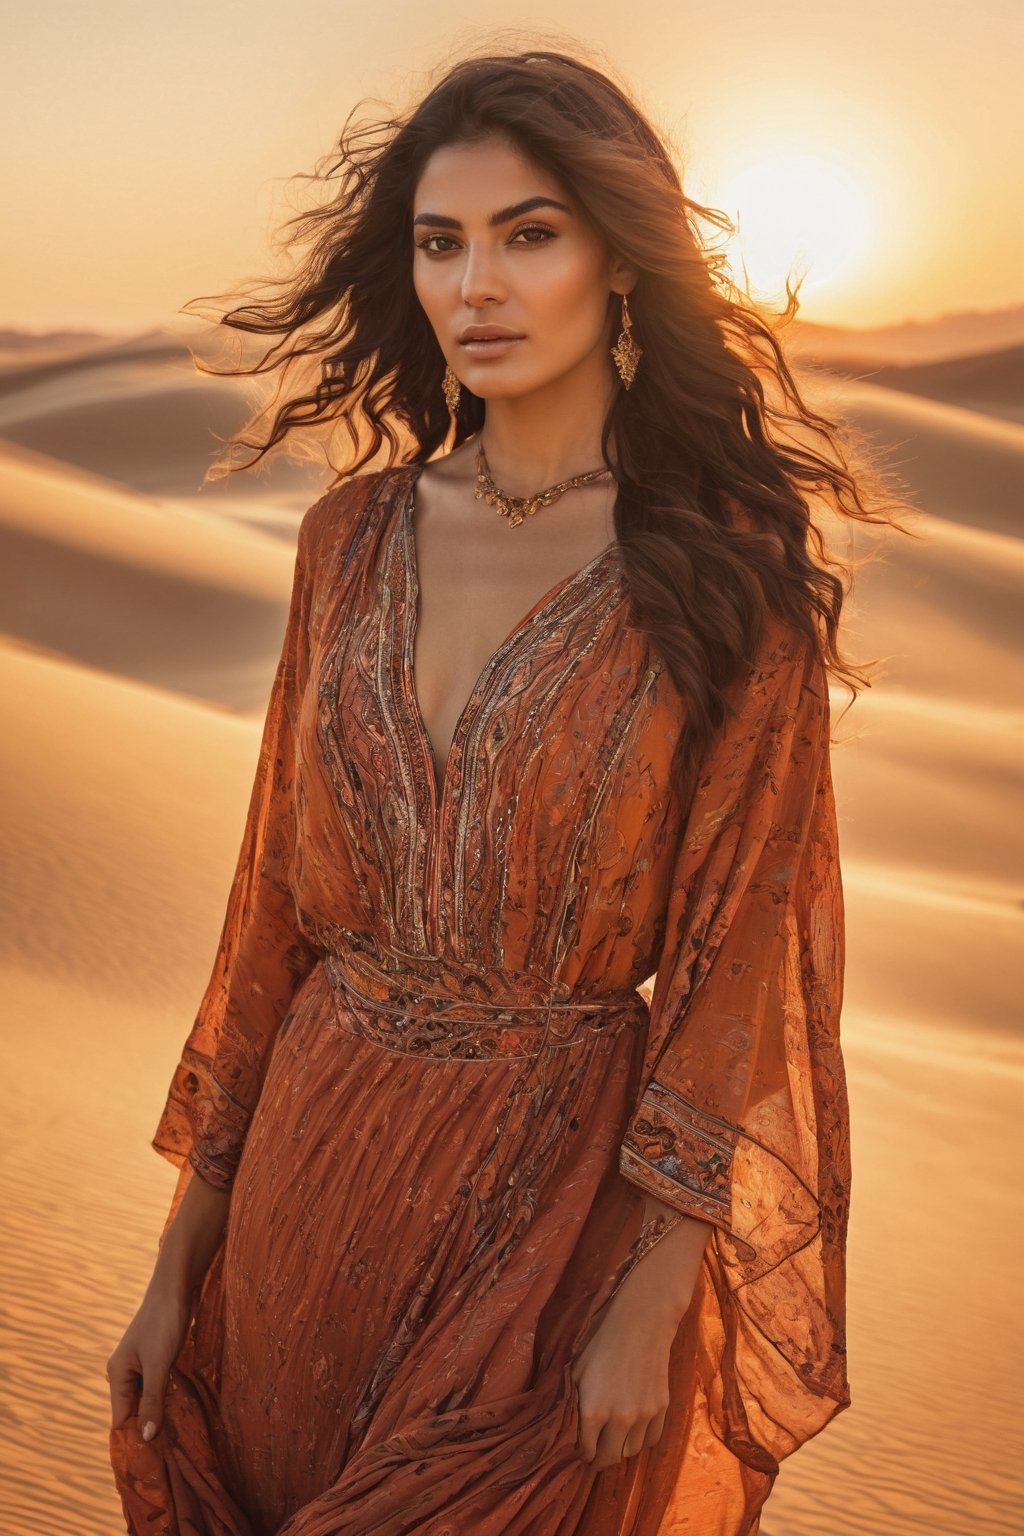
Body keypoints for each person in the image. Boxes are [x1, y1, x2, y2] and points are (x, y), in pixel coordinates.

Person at [106, 44, 910, 1536]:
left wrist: (654, 1295)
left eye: (527, 234)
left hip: (544, 1217)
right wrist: (174, 1272)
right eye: (440, 241)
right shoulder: (346, 542)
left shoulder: (724, 575)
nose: (477, 282)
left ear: (618, 259)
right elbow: (266, 928)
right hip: (305, 1188)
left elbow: (740, 972)